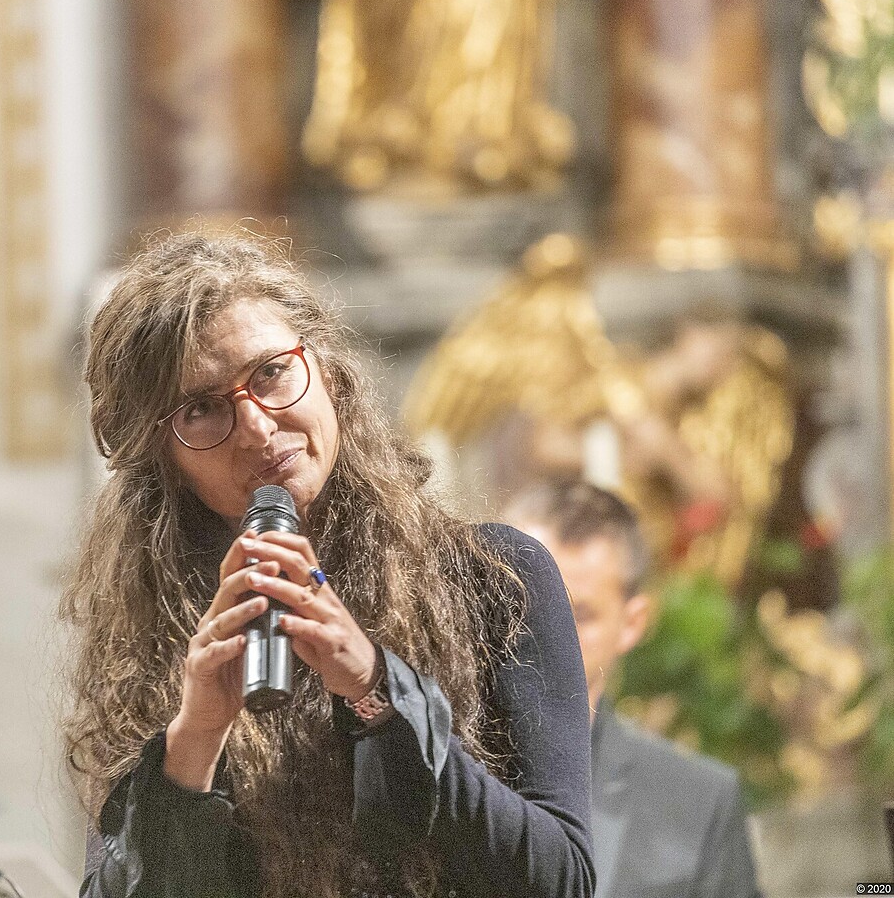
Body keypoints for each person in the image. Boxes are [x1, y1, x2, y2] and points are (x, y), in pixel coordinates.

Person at [61, 228, 595, 898]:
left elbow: (562, 880)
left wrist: (377, 688)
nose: (258, 427)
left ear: (330, 375)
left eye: (270, 372)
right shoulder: (150, 640)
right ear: (165, 463)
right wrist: (194, 742)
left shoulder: (497, 577)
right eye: (201, 409)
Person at [506, 480, 762, 898]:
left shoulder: (698, 801)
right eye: (521, 602)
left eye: (580, 614)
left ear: (632, 623)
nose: (543, 632)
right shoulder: (423, 764)